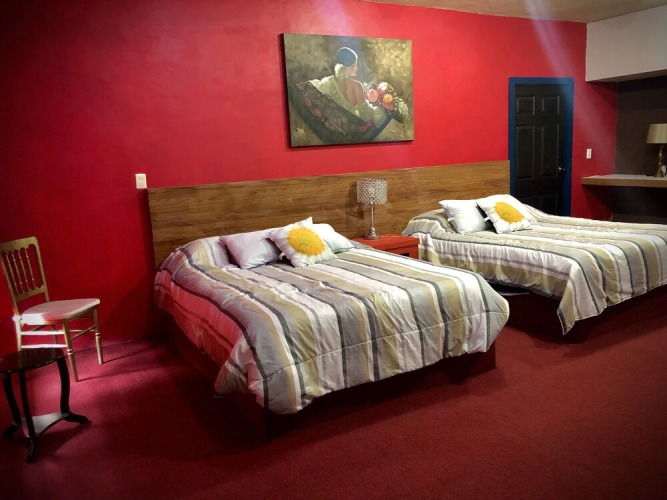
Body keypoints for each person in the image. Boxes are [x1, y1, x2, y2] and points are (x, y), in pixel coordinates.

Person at [309, 47, 387, 127]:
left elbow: (316, 87)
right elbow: (365, 116)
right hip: (354, 122)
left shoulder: (329, 81)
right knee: (380, 113)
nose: (357, 68)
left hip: (341, 121)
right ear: (344, 68)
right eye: (354, 66)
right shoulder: (357, 86)